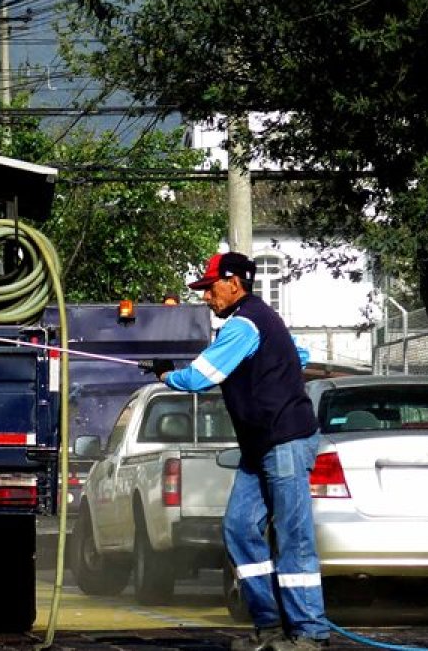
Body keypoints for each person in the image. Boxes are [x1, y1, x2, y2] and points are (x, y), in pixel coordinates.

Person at [141, 252, 329, 651]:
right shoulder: (262, 322)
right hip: (261, 444)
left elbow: (199, 377)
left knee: (293, 537)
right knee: (240, 528)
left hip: (285, 441)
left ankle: (310, 633)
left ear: (234, 283)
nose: (206, 297)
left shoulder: (244, 324)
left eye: (210, 288)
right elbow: (300, 355)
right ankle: (269, 626)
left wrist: (164, 373)